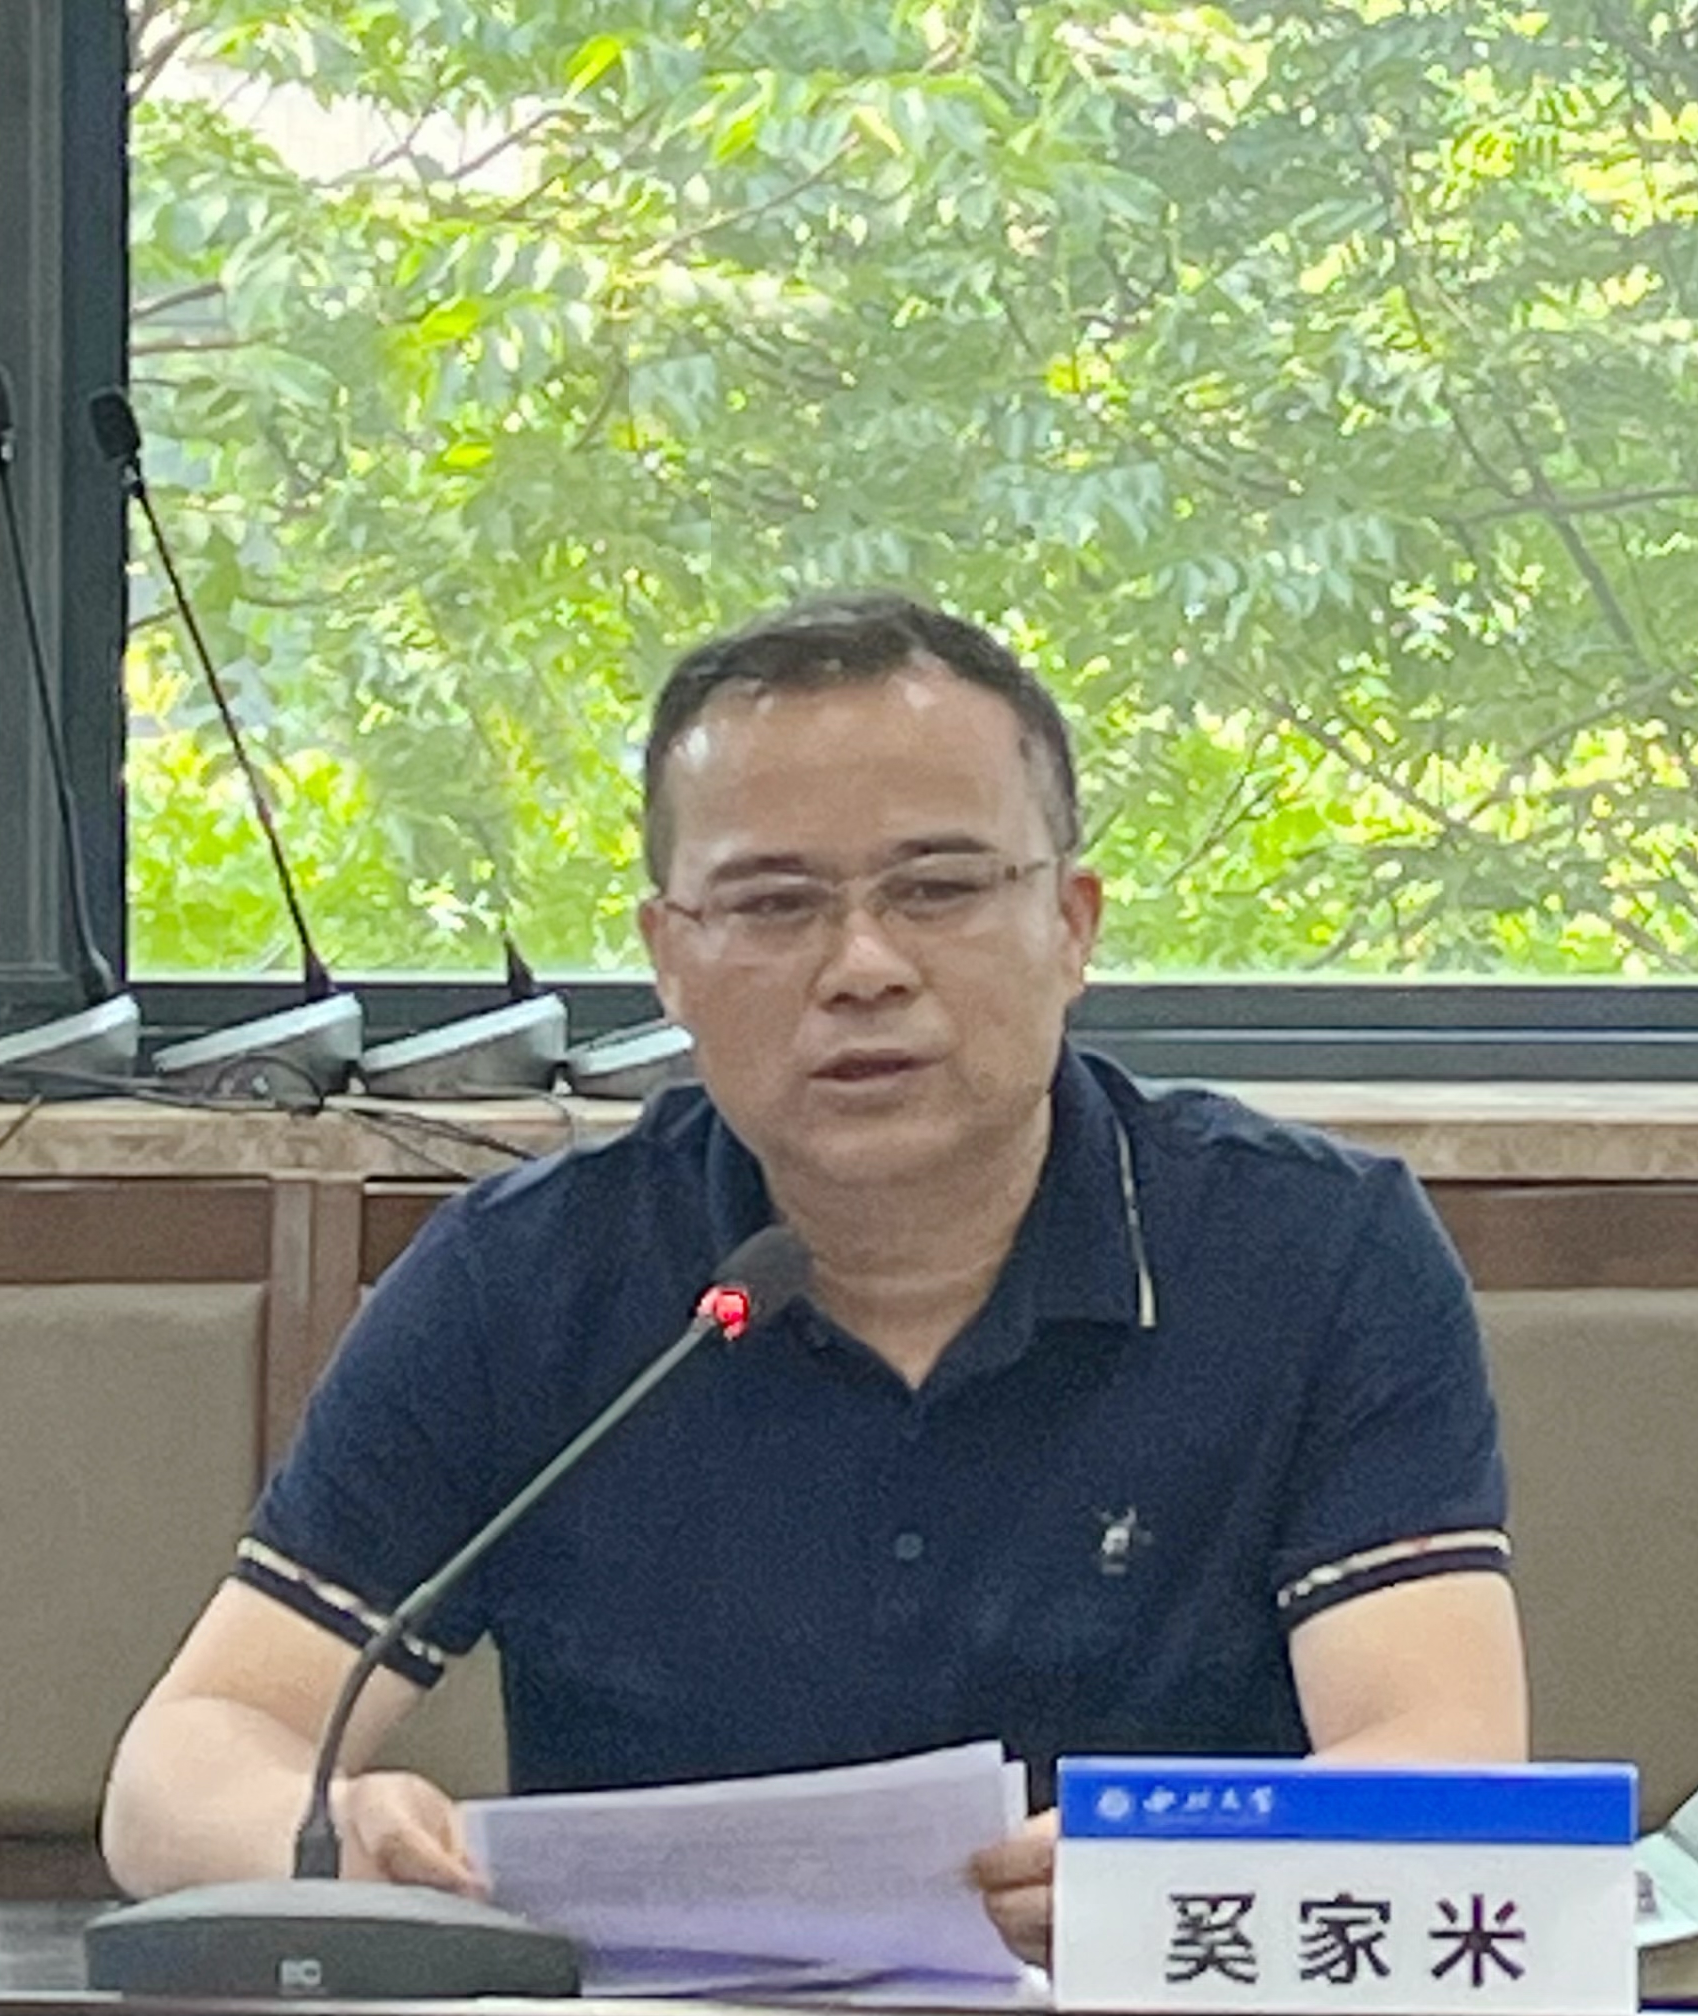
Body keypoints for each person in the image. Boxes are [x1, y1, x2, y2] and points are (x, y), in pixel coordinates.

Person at [100, 592, 1529, 1963]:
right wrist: (326, 1838)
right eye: (775, 905)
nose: (863, 967)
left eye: (939, 889)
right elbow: (184, 1764)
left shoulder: (1314, 1253)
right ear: (670, 959)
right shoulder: (526, 1282)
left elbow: (1446, 1754)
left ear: (1074, 924)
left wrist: (1181, 1860)